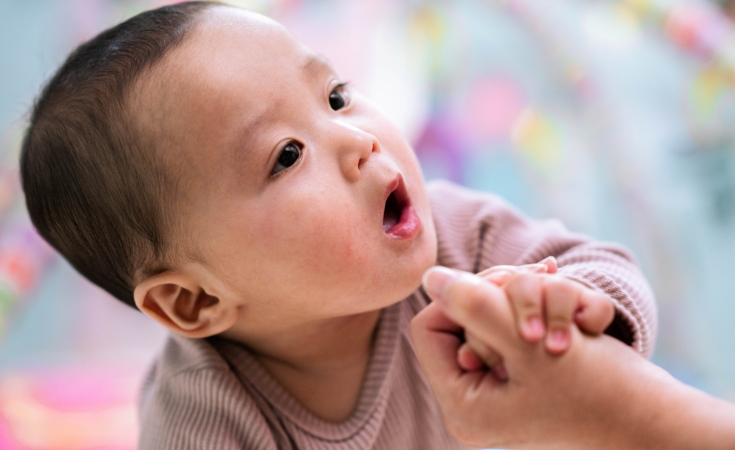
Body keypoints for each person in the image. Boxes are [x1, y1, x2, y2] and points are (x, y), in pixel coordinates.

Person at [19, 2, 656, 448]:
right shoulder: (206, 419)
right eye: (287, 155)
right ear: (194, 299)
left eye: (335, 97)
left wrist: (577, 310)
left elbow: (606, 271)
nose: (356, 141)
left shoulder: (464, 242)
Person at [413, 266, 735, 449]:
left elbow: (606, 260)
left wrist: (576, 298)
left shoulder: (456, 222)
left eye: (348, 101)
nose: (363, 145)